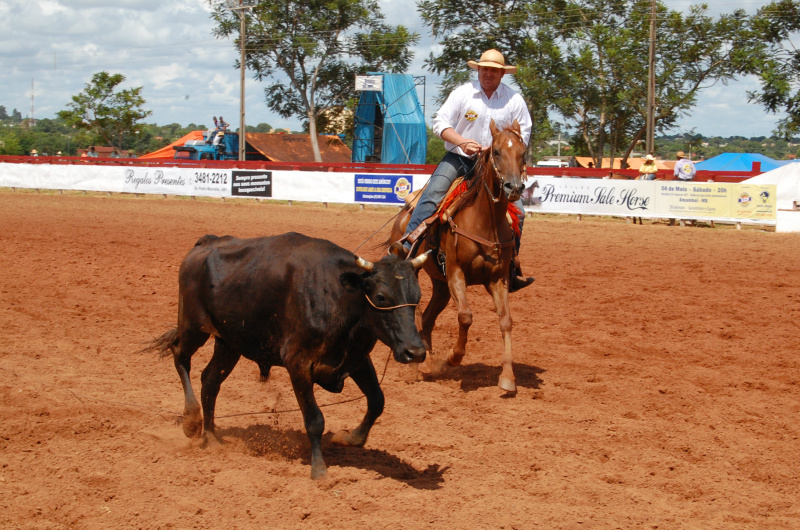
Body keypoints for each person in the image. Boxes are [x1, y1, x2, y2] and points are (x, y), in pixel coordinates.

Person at [395, 48, 533, 292]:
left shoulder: (514, 100)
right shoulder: (463, 93)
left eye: (494, 70)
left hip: (496, 166)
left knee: (518, 213)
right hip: (460, 158)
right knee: (432, 195)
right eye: (484, 69)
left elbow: (523, 135)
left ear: (502, 74)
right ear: (478, 70)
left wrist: (503, 154)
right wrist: (462, 142)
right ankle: (407, 247)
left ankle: (510, 266)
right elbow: (440, 123)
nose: (488, 73)